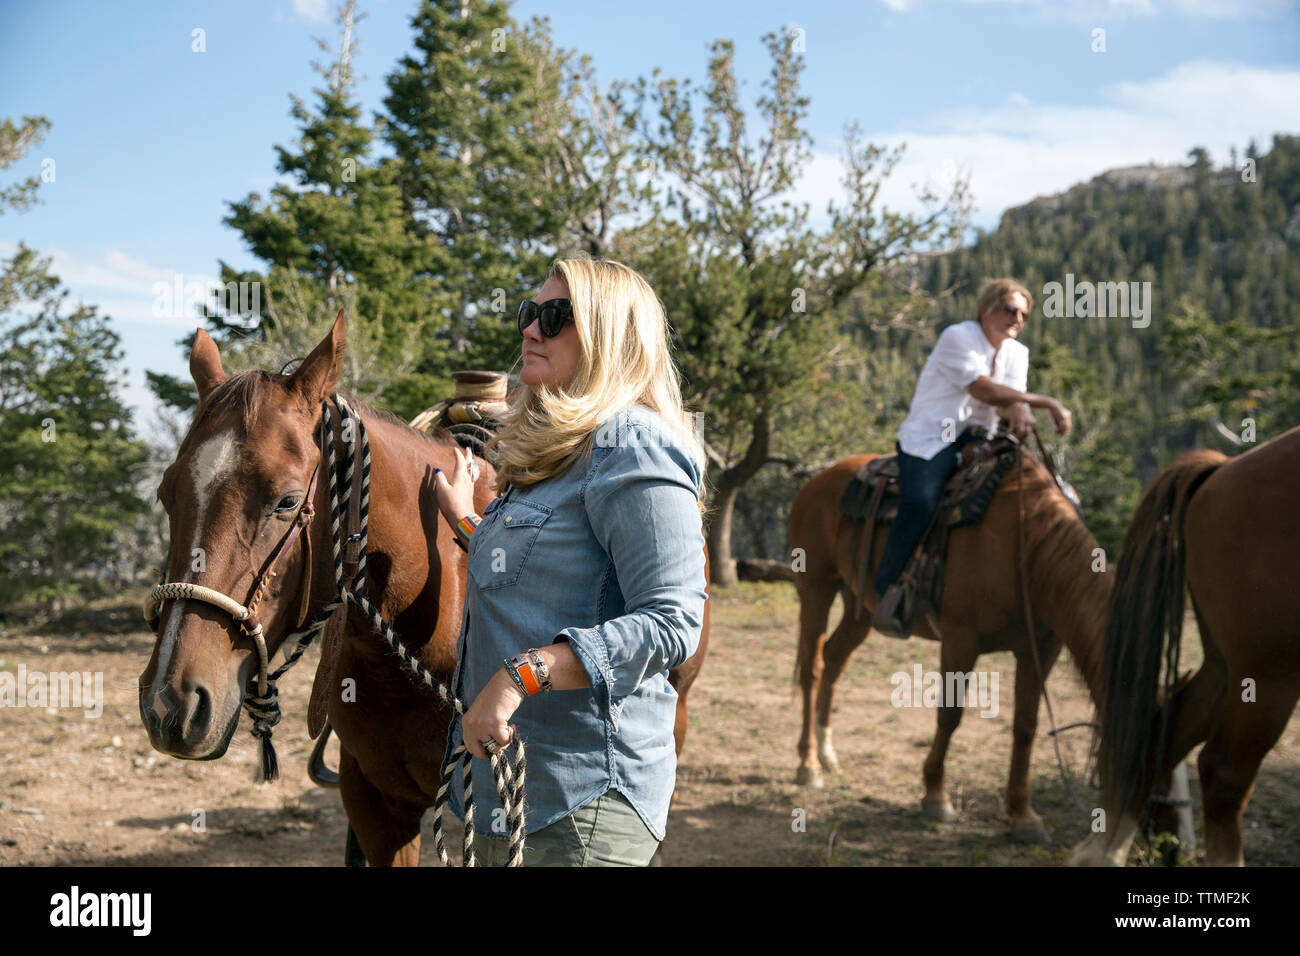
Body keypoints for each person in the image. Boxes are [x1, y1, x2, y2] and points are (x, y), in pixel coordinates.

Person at [429, 257, 709, 866]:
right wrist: (466, 522)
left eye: (556, 317)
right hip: (514, 791)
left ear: (610, 338)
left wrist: (520, 675)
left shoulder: (635, 443)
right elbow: (541, 566)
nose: (530, 329)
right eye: (532, 313)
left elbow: (672, 623)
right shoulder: (560, 451)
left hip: (584, 802)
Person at [870, 278, 1073, 639]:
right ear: (985, 309)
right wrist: (1043, 403)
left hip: (985, 438)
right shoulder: (958, 337)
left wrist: (1020, 410)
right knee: (921, 500)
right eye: (1010, 309)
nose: (1017, 319)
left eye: (1024, 314)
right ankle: (888, 589)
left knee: (1055, 494)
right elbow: (982, 388)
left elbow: (1008, 397)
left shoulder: (1017, 353)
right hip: (936, 436)